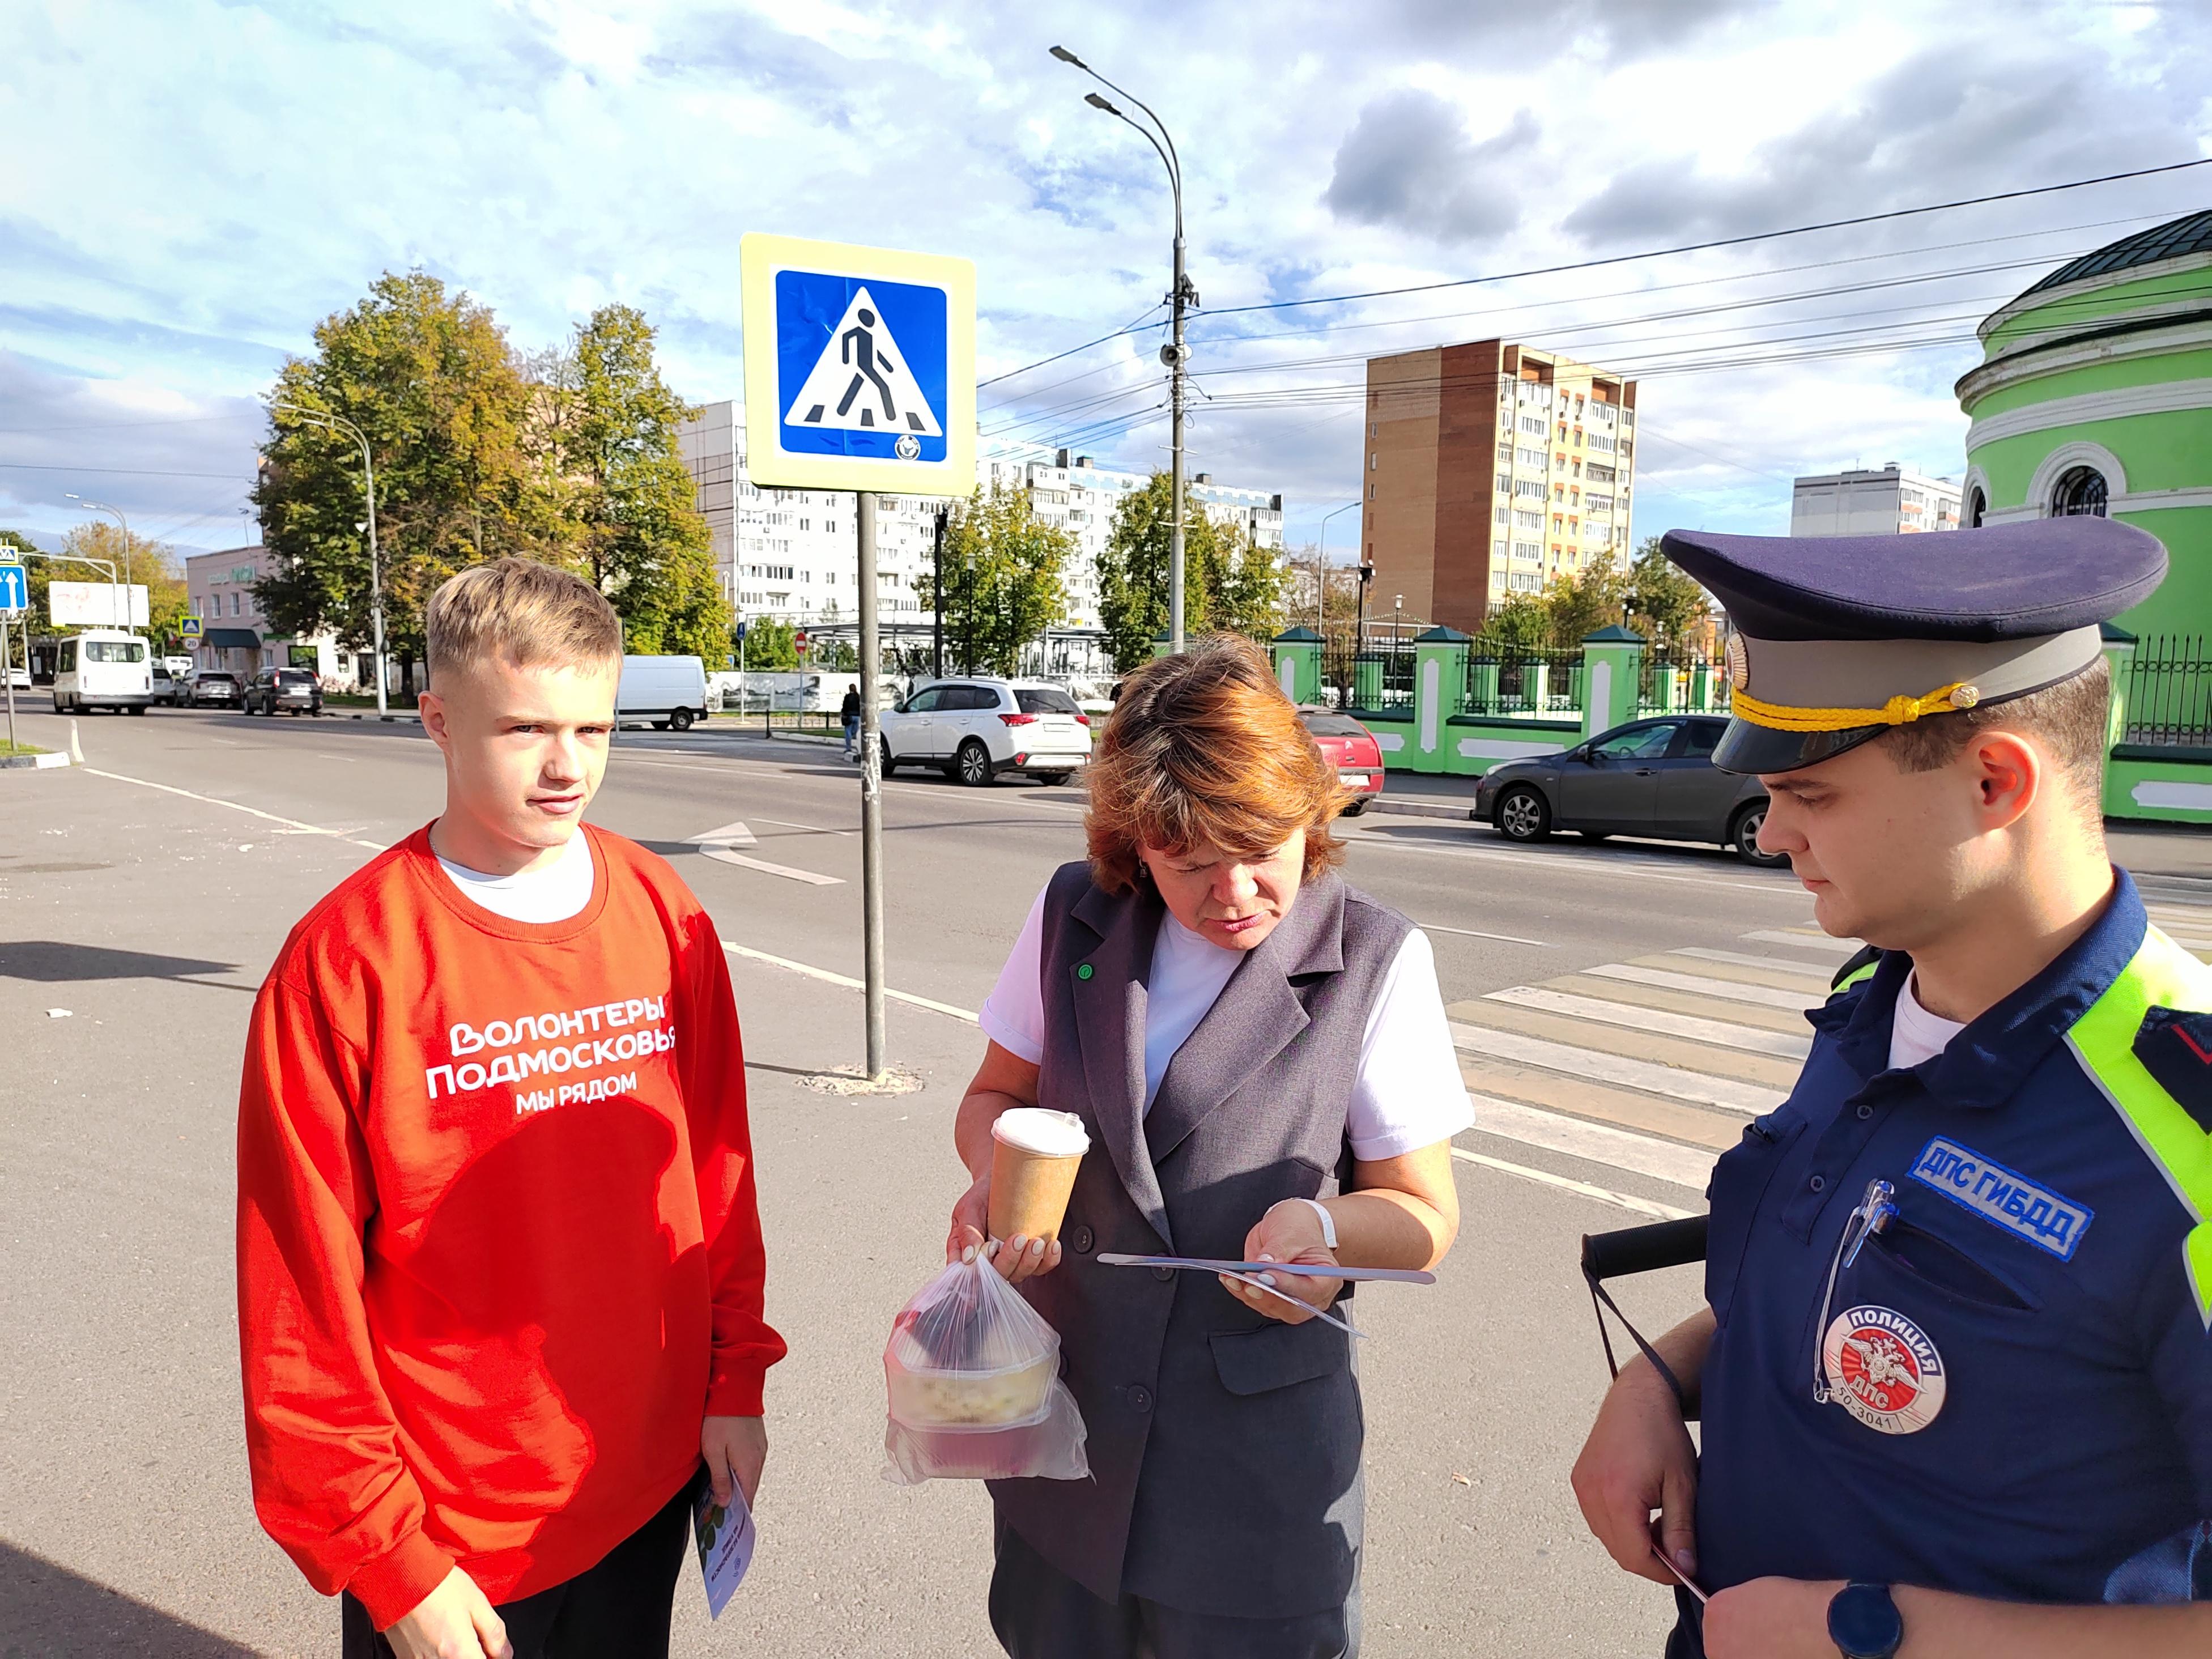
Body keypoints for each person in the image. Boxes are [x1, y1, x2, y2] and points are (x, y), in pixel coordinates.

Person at [1570, 517, 2212, 1658]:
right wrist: (1659, 1379)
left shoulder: (2183, 1141)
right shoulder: (1873, 992)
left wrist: (1871, 1633)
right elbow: (1837, 1278)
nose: (1769, 834)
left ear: (1992, 782)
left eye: (1810, 796)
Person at [236, 559, 785, 1659]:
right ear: (438, 720)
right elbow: (299, 1298)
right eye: (526, 728)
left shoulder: (661, 911)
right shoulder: (348, 962)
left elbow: (715, 1176)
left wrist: (734, 1381)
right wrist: (389, 1561)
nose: (566, 766)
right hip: (452, 1530)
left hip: (641, 1480)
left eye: (593, 729)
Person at [946, 634, 1470, 1658]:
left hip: (1252, 1487)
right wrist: (987, 1180)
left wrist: (1326, 1233)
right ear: (1135, 843)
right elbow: (997, 1095)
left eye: (1261, 847)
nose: (1231, 891)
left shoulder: (1373, 957)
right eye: (1187, 861)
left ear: (1308, 816)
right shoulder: (1075, 916)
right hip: (1065, 1438)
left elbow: (1423, 1215)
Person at [841, 682, 862, 760]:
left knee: (848, 732)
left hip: (849, 716)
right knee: (855, 732)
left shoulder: (848, 697)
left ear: (849, 689)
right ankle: (858, 748)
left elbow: (845, 706)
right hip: (857, 716)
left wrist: (843, 713)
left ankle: (848, 748)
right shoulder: (858, 697)